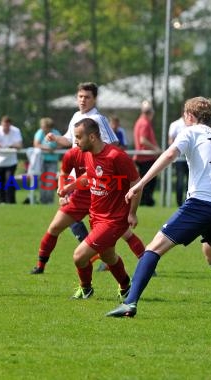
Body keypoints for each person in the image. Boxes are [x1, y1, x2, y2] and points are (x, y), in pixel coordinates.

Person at [107, 97, 211, 318]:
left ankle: (129, 303)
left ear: (189, 116)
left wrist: (140, 184)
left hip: (202, 203)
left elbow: (170, 154)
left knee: (153, 248)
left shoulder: (191, 131)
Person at [69, 117, 140, 300]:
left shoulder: (116, 156)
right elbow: (89, 176)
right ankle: (126, 286)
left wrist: (132, 212)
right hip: (96, 216)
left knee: (79, 256)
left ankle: (86, 289)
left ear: (92, 137)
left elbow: (136, 182)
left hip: (113, 220)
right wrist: (69, 187)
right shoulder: (87, 154)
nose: (75, 141)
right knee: (108, 256)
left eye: (78, 137)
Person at [45, 82, 119, 246]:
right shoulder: (76, 116)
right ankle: (92, 250)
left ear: (95, 99)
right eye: (80, 96)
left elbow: (112, 145)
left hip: (94, 178)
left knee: (102, 220)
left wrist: (99, 168)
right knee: (72, 217)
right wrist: (55, 138)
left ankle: (142, 257)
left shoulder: (98, 119)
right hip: (76, 177)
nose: (83, 100)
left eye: (87, 97)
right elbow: (69, 140)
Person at [0, 115, 23, 204]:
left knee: (9, 182)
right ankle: (1, 202)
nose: (6, 128)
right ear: (1, 124)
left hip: (11, 162)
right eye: (4, 126)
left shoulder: (16, 131)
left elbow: (19, 145)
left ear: (10, 125)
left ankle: (11, 202)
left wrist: (12, 146)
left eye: (7, 126)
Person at [133, 100, 161, 206]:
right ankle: (146, 201)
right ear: (151, 113)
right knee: (148, 182)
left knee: (144, 181)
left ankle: (145, 200)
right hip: (145, 157)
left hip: (143, 157)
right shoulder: (144, 123)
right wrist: (156, 149)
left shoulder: (140, 121)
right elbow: (143, 140)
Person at [33, 117, 61, 204]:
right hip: (41, 160)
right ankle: (42, 200)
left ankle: (49, 200)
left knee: (50, 181)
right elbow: (36, 144)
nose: (43, 128)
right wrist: (47, 148)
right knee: (42, 180)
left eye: (44, 127)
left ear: (49, 127)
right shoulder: (40, 132)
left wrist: (54, 148)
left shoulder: (56, 133)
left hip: (52, 161)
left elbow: (61, 144)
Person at [168, 116, 189, 207]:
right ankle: (179, 203)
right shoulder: (175, 124)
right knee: (180, 181)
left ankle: (188, 202)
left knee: (190, 182)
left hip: (190, 159)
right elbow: (170, 141)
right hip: (179, 159)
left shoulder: (193, 125)